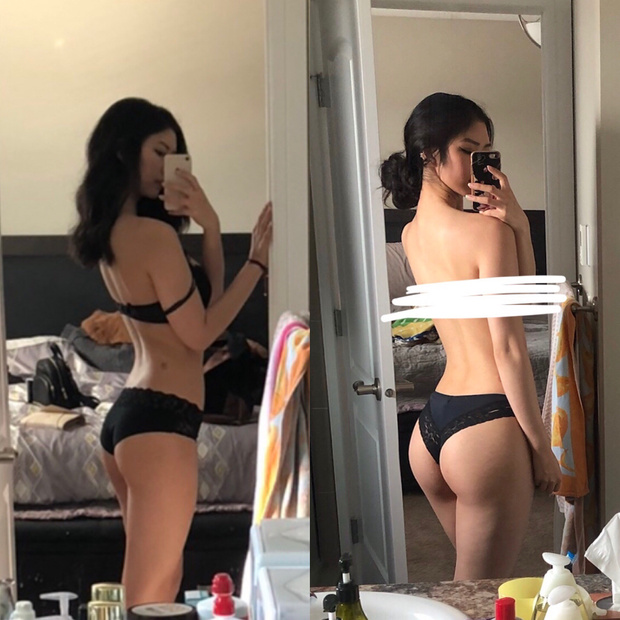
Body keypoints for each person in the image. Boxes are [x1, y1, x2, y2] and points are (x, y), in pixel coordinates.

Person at [70, 97, 272, 605]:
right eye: (159, 152)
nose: (168, 166)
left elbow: (208, 306)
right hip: (160, 420)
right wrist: (257, 264)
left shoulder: (117, 233)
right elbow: (201, 335)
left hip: (136, 416)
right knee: (150, 594)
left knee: (155, 587)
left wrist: (210, 226)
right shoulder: (153, 235)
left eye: (174, 154)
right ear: (123, 151)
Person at [379, 92, 561, 580]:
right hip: (486, 430)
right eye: (466, 149)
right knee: (478, 598)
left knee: (474, 591)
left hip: (432, 429)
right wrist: (541, 447)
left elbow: (519, 299)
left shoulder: (412, 233)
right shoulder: (484, 234)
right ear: (427, 153)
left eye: (485, 151)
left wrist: (519, 225)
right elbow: (509, 347)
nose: (478, 163)